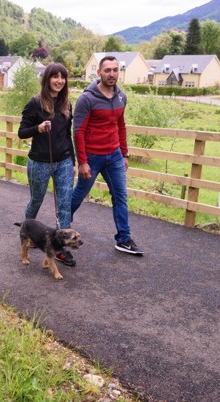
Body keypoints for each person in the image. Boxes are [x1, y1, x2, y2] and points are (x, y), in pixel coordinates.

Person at [71, 56, 143, 255]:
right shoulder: (87, 99)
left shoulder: (121, 97)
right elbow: (78, 132)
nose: (111, 74)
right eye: (107, 70)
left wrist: (125, 154)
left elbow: (120, 126)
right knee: (79, 194)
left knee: (120, 196)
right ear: (99, 73)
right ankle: (61, 228)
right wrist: (83, 161)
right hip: (92, 157)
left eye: (115, 70)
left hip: (115, 156)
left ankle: (124, 239)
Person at [18, 63, 77, 266]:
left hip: (64, 162)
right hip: (39, 162)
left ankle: (62, 248)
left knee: (64, 205)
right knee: (36, 201)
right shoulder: (34, 103)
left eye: (63, 77)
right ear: (47, 79)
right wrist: (39, 128)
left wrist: (73, 161)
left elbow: (68, 135)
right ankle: (26, 233)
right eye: (55, 77)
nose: (59, 80)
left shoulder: (67, 104)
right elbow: (22, 132)